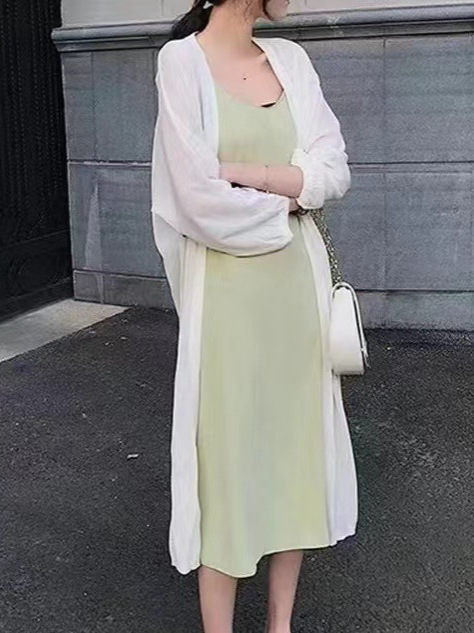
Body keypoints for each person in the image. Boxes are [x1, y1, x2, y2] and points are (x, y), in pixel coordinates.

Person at [151, 1, 358, 632]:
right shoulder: (181, 62)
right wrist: (290, 195)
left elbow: (334, 171)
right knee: (228, 463)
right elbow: (195, 201)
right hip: (227, 305)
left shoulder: (291, 60)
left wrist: (251, 175)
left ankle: (279, 624)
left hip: (298, 295)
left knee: (294, 455)